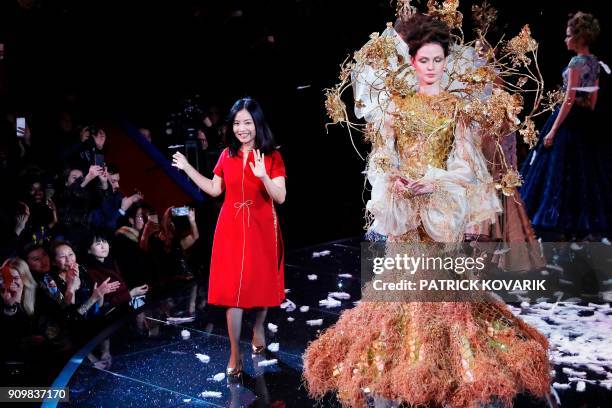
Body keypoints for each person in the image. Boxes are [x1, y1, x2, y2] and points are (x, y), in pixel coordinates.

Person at [303, 14, 549, 407]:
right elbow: (384, 157)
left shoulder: (456, 108)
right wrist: (398, 179)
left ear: (446, 62)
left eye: (438, 60)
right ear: (413, 62)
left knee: (445, 297)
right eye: (424, 60)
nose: (432, 67)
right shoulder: (396, 107)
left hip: (440, 212)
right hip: (406, 215)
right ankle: (404, 370)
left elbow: (467, 165)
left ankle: (446, 371)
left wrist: (435, 182)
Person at [172, 97, 286, 377]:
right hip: (231, 227)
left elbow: (280, 197)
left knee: (260, 287)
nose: (242, 128)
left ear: (257, 124)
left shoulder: (272, 156)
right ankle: (236, 352)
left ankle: (258, 327)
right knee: (233, 294)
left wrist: (263, 176)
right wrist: (187, 167)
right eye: (237, 123)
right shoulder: (226, 155)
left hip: (262, 226)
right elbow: (213, 189)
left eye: (247, 122)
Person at [520, 12, 611, 240]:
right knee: (583, 171)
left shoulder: (576, 62)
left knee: (558, 170)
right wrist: (586, 116)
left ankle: (554, 221)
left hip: (568, 121)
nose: (565, 39)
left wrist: (552, 131)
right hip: (585, 122)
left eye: (568, 35)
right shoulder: (594, 62)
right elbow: (593, 99)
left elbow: (568, 98)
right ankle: (579, 224)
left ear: (579, 38)